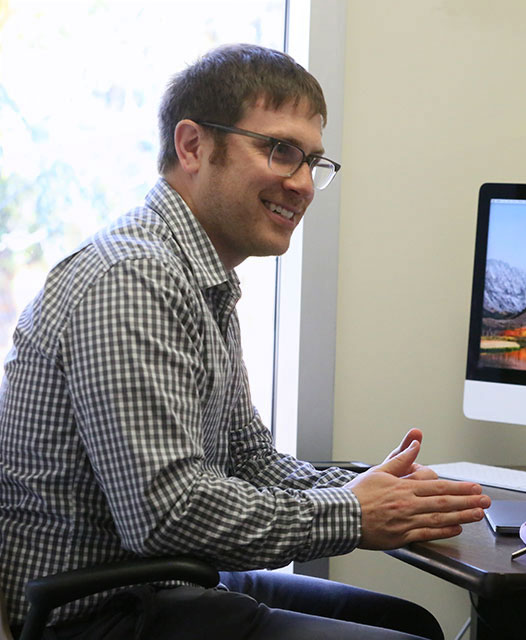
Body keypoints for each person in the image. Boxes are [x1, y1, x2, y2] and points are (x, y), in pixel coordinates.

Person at [0, 43, 490, 639]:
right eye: (281, 152)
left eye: (314, 161)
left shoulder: (200, 279)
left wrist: (372, 486)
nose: (304, 184)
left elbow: (247, 459)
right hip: (97, 613)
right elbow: (168, 516)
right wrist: (356, 512)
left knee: (406, 620)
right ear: (192, 146)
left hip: (166, 583)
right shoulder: (131, 277)